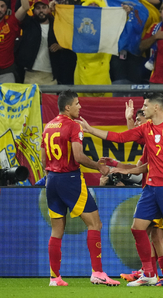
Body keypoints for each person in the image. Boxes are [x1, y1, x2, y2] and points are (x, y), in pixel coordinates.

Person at [77, 92, 163, 287]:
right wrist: (91, 130)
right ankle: (149, 274)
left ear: (156, 107)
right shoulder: (145, 129)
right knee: (137, 227)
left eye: (145, 105)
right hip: (150, 188)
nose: (142, 108)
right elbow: (120, 137)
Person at [42, 90, 119, 287]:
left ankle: (54, 278)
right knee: (95, 224)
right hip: (70, 179)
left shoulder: (48, 127)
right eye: (77, 103)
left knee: (56, 231)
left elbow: (43, 160)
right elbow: (78, 156)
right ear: (67, 107)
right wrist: (99, 166)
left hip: (51, 180)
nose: (80, 107)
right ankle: (98, 273)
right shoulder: (73, 126)